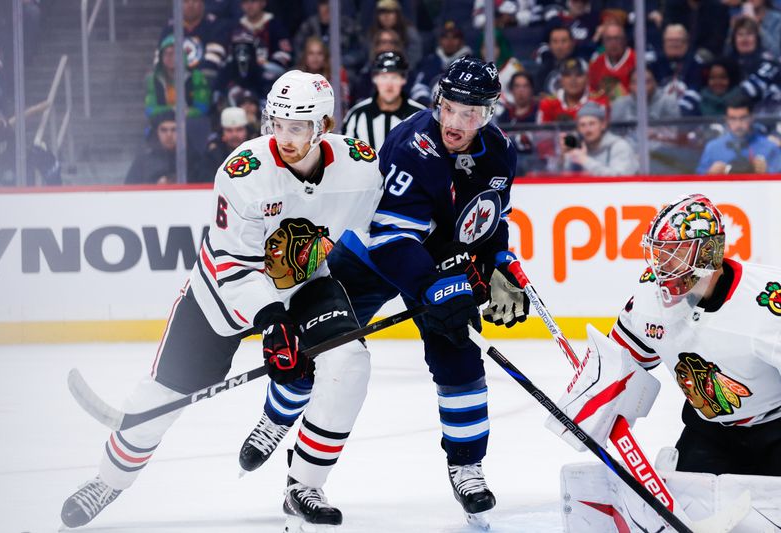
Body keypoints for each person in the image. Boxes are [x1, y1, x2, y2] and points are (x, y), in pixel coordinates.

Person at [61, 71, 384, 530]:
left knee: (350, 362)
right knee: (164, 395)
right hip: (223, 292)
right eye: (276, 123)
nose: (284, 137)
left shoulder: (360, 166)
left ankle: (305, 483)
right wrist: (275, 325)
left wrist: (440, 271)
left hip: (306, 282)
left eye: (297, 126)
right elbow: (232, 265)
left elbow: (390, 231)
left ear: (325, 125)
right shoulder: (244, 171)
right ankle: (108, 480)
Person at [239, 57, 530, 528]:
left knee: (458, 354)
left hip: (436, 263)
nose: (456, 123)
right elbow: (392, 237)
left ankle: (466, 466)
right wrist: (438, 285)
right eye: (450, 109)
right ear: (439, 101)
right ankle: (277, 417)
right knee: (318, 347)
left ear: (489, 113)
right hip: (373, 255)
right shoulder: (411, 145)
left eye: (470, 114)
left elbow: (489, 218)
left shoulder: (500, 153)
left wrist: (499, 263)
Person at [609, 193, 781, 476]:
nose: (662, 265)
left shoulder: (768, 303)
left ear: (708, 252)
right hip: (710, 431)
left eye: (674, 253)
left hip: (776, 430)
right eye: (658, 252)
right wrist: (593, 404)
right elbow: (617, 365)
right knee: (690, 506)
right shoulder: (648, 297)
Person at [342, 51, 425, 149]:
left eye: (394, 77)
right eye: (384, 77)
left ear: (404, 79)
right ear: (374, 79)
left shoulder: (420, 116)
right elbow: (344, 152)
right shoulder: (357, 114)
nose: (389, 84)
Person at [696, 96, 781, 174]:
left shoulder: (770, 147)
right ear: (726, 119)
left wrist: (768, 171)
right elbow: (696, 182)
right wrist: (709, 174)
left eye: (743, 118)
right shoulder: (712, 148)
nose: (738, 124)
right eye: (733, 118)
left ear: (752, 118)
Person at [157, 0, 227, 84]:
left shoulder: (214, 26)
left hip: (204, 80)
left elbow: (213, 60)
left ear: (202, 4)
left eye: (195, 1)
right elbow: (159, 57)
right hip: (175, 80)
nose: (190, 5)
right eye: (186, 2)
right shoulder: (170, 28)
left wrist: (190, 76)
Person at [561, 101, 638, 175]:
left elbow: (620, 178)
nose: (587, 129)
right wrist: (562, 156)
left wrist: (585, 160)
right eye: (582, 125)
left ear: (603, 124)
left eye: (592, 124)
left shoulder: (619, 146)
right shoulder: (577, 147)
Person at [145, 35, 211, 120]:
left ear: (182, 55)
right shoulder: (153, 80)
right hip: (163, 122)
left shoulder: (196, 77)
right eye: (166, 53)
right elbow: (150, 110)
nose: (169, 57)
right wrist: (172, 111)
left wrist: (186, 113)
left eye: (173, 53)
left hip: (190, 121)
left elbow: (203, 108)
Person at [409, 21, 473, 106]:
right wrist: (429, 103)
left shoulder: (471, 63)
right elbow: (419, 87)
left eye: (454, 37)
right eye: (445, 37)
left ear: (462, 41)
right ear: (440, 40)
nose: (449, 42)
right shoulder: (430, 61)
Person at [537, 58, 608, 123]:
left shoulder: (599, 101)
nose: (573, 80)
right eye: (567, 75)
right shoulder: (548, 103)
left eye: (578, 75)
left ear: (587, 78)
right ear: (561, 80)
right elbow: (541, 134)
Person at [193, 106, 250, 182]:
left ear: (246, 130)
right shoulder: (213, 155)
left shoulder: (257, 151)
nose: (234, 135)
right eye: (229, 130)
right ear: (222, 131)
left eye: (239, 129)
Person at [588, 21, 635, 101]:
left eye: (617, 38)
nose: (613, 43)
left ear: (625, 40)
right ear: (603, 42)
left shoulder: (636, 61)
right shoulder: (596, 63)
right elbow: (592, 92)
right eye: (608, 39)